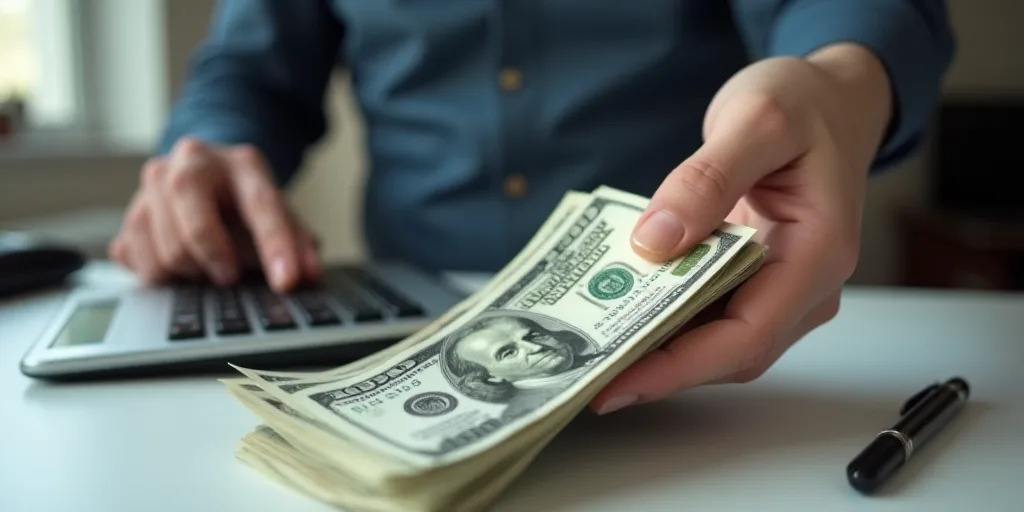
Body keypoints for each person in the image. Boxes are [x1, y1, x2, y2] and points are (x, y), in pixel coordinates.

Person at [108, 2, 956, 415]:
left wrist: (841, 83)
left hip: (707, 369)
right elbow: (252, 69)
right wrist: (209, 144)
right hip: (391, 330)